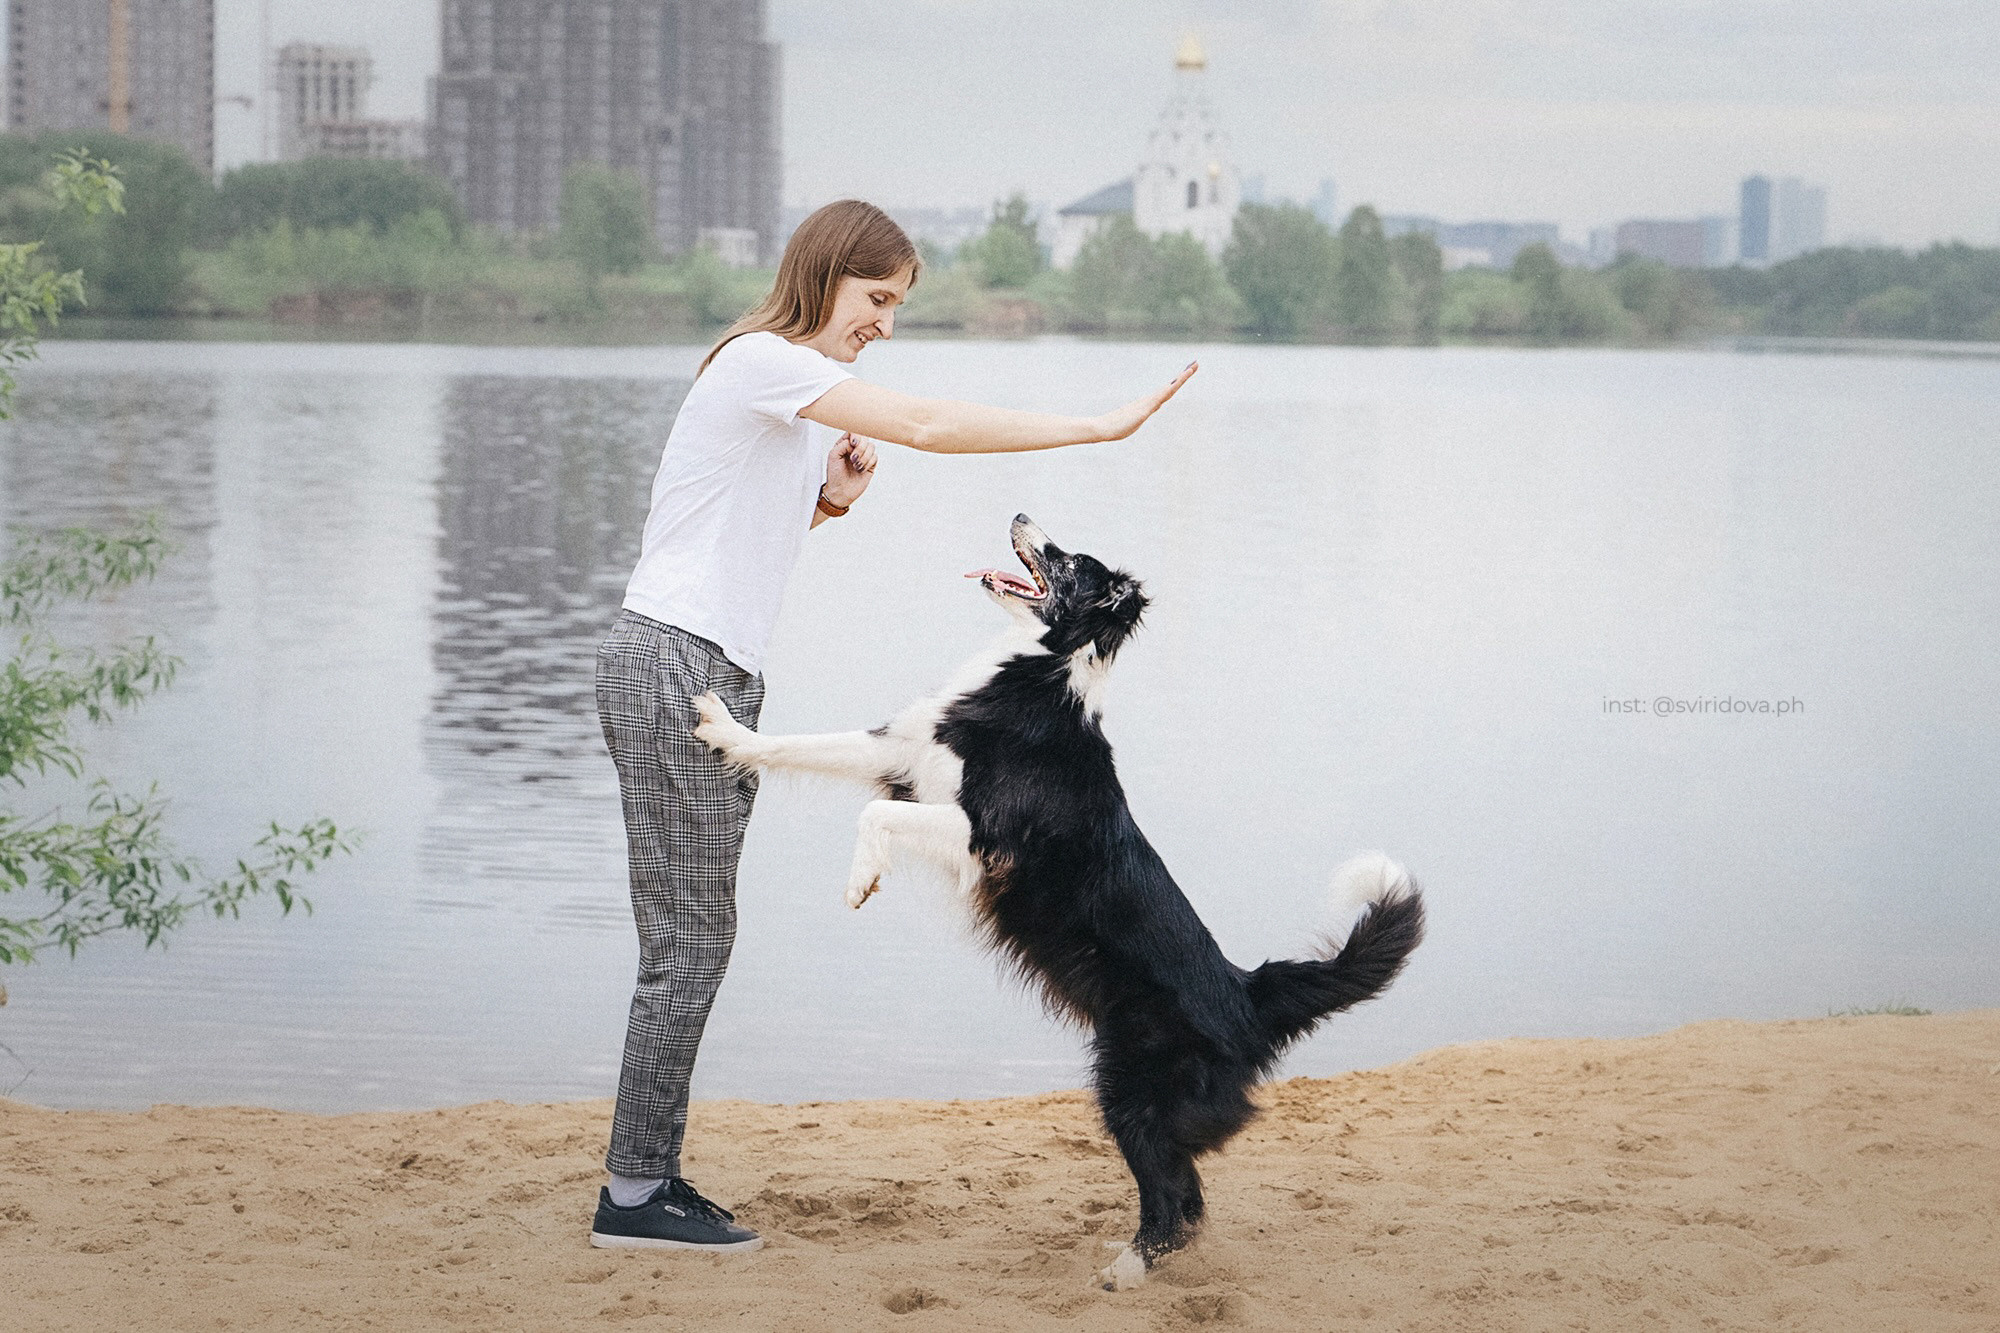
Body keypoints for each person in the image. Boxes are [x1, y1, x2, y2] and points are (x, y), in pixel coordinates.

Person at [587, 199, 1196, 1252]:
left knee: (693, 935)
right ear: (824, 275)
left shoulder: (785, 390)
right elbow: (928, 423)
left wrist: (827, 500)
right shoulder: (762, 360)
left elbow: (721, 526)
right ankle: (635, 1194)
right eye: (876, 297)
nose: (884, 322)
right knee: (689, 940)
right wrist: (1094, 428)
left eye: (898, 305)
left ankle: (646, 1181)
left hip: (704, 663)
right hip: (672, 660)